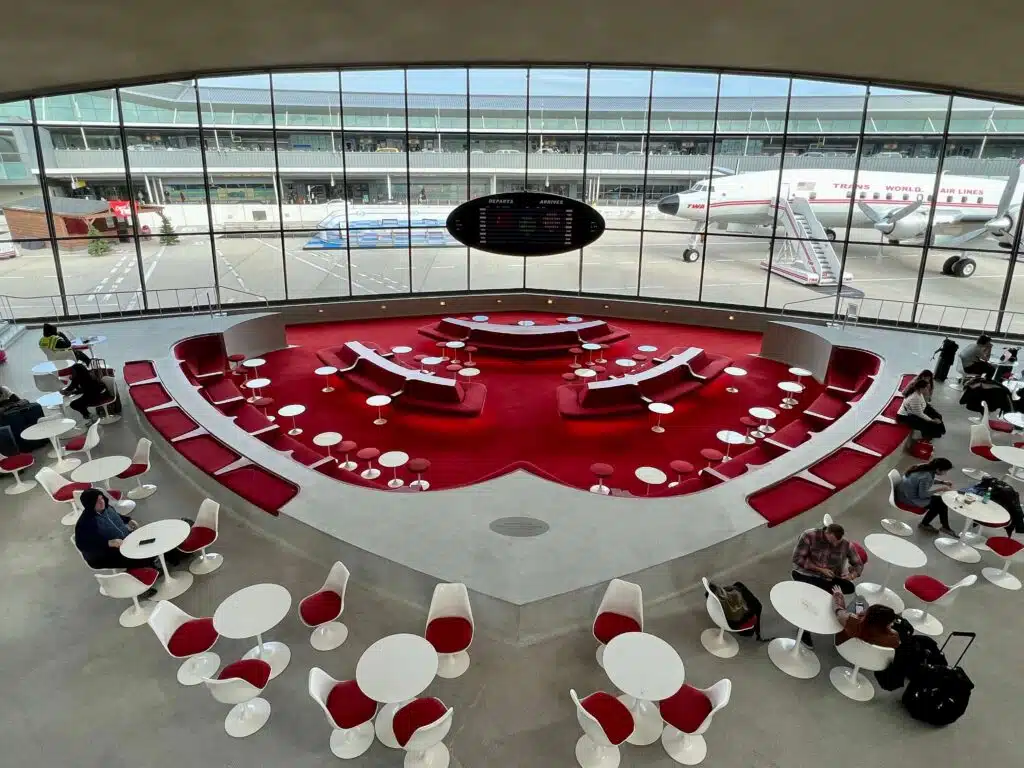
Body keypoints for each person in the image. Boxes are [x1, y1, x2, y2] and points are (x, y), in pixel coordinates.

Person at [73, 488, 151, 571]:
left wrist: (128, 520)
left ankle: (153, 561)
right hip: (102, 555)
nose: (101, 502)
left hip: (123, 540)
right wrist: (108, 543)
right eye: (97, 501)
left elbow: (117, 516)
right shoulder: (85, 523)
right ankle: (145, 569)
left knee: (147, 542)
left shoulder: (107, 507)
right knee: (137, 556)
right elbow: (83, 545)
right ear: (90, 504)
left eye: (102, 498)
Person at [791, 522, 863, 595]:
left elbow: (858, 564)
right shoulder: (809, 535)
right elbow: (797, 558)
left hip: (828, 579)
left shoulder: (846, 544)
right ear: (827, 533)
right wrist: (820, 569)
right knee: (813, 593)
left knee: (850, 587)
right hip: (807, 573)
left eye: (838, 543)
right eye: (832, 541)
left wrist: (851, 576)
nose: (835, 545)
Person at [896, 457, 957, 536]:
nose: (945, 474)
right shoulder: (926, 476)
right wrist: (941, 489)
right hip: (907, 498)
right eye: (945, 471)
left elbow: (928, 480)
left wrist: (942, 482)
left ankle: (941, 526)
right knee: (940, 503)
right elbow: (923, 495)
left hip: (903, 493)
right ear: (938, 469)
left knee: (939, 502)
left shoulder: (924, 467)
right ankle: (936, 526)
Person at [832, 588, 900, 649]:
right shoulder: (893, 638)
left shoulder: (851, 620)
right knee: (861, 602)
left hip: (846, 644)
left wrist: (839, 595)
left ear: (868, 614)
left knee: (860, 599)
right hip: (868, 656)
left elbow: (839, 611)